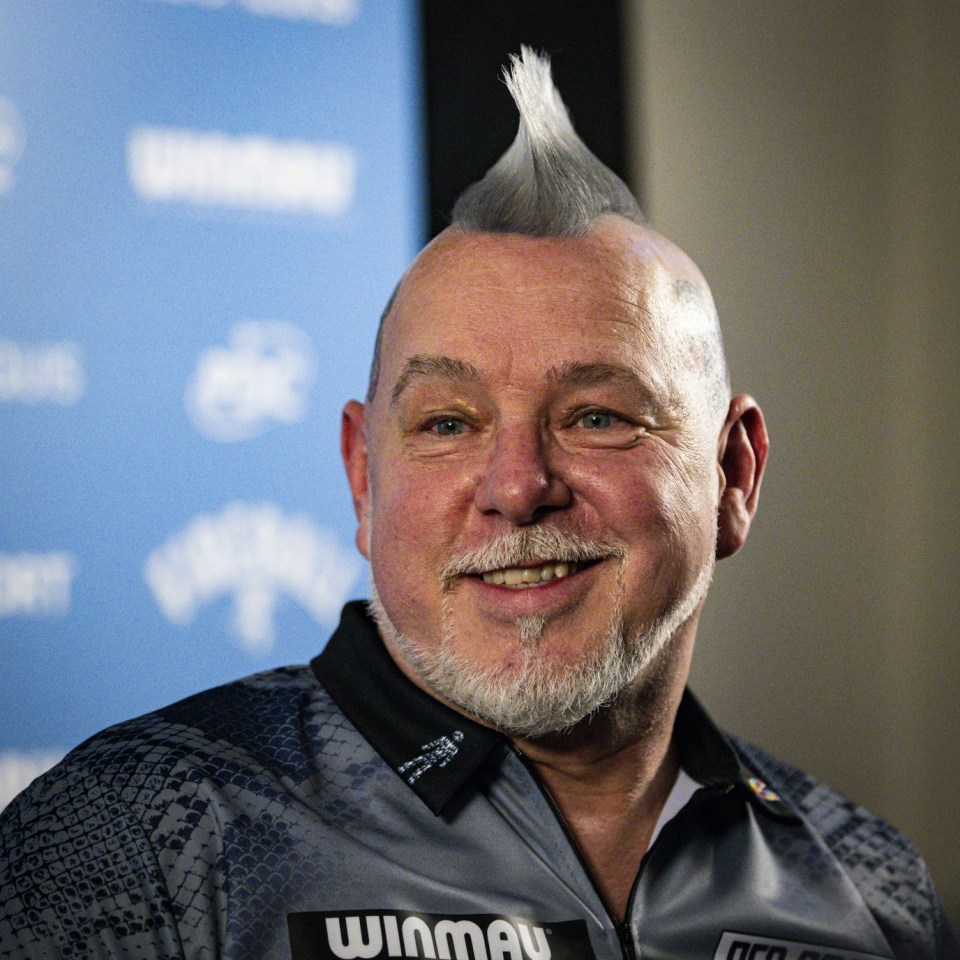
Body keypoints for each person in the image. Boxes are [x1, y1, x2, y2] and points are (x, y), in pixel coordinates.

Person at [1, 48, 955, 960]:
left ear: (734, 475)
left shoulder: (868, 885)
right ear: (364, 480)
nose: (515, 487)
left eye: (595, 415)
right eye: (448, 423)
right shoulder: (137, 839)